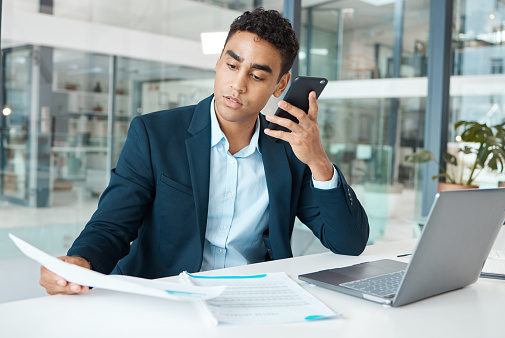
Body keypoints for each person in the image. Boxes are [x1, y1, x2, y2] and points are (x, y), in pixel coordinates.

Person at [40, 8, 369, 295]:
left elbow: (348, 243)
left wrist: (318, 161)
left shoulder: (288, 148)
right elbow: (113, 226)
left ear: (280, 86)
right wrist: (79, 263)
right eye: (231, 65)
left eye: (256, 76)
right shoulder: (154, 134)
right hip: (164, 296)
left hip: (253, 298)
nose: (237, 85)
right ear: (218, 61)